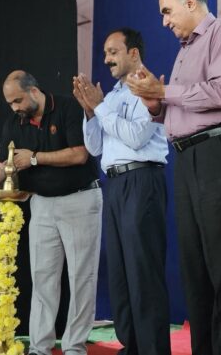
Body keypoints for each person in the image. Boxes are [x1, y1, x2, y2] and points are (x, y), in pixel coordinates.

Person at [126, 0, 221, 355]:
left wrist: (164, 90)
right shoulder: (184, 50)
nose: (164, 21)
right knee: (194, 267)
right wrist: (156, 105)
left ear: (190, 2)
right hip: (186, 156)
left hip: (219, 150)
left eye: (167, 11)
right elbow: (181, 110)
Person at [0, 71, 101, 355]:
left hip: (79, 199)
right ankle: (40, 348)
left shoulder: (67, 107)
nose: (14, 107)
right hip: (41, 203)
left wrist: (35, 158)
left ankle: (74, 347)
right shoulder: (14, 123)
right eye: (9, 103)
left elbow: (80, 154)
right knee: (42, 278)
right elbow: (3, 165)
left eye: (17, 100)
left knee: (81, 278)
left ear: (34, 91)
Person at [73, 28, 171, 355]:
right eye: (105, 53)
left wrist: (100, 108)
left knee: (143, 271)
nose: (106, 59)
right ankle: (132, 347)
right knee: (120, 273)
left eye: (113, 52)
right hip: (114, 185)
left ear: (133, 53)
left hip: (142, 181)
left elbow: (136, 138)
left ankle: (153, 350)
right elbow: (95, 147)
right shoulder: (113, 95)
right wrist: (90, 112)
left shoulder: (147, 86)